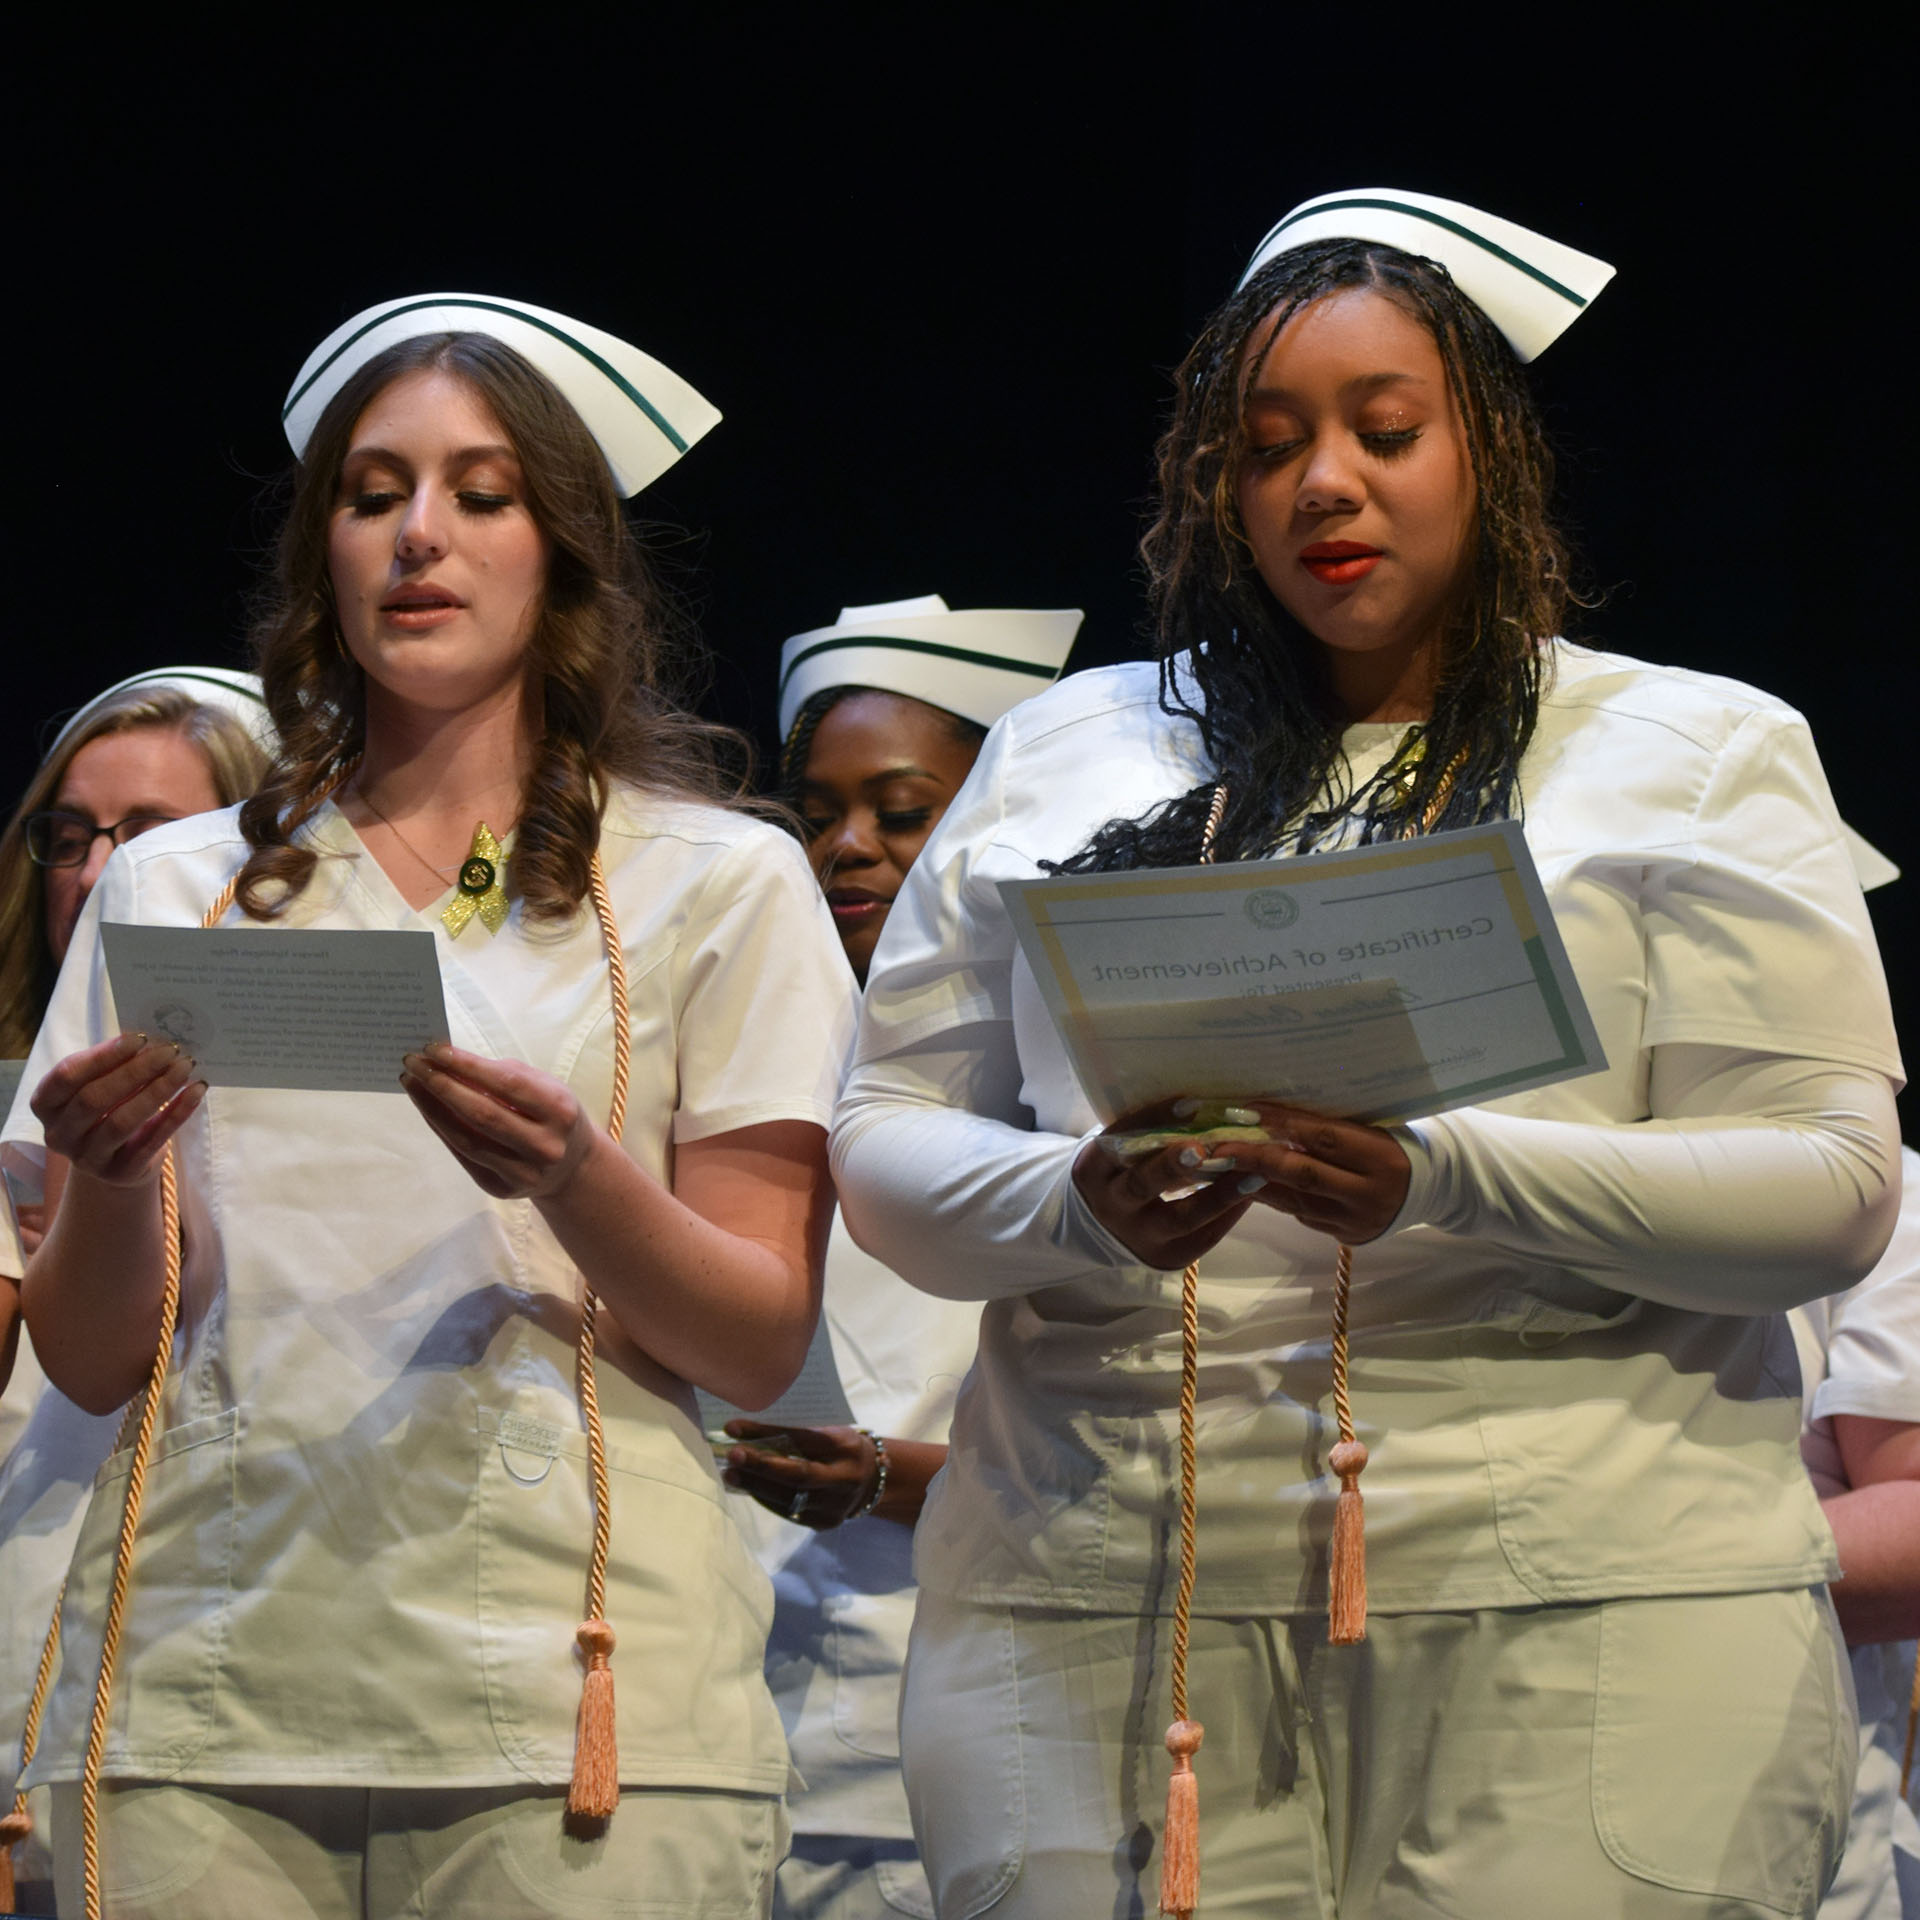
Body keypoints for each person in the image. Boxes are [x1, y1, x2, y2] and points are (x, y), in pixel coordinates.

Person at [830, 189, 1904, 1918]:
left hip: (1588, 1596)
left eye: (1385, 430)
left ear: (1488, 446)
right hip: (1113, 1590)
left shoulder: (1691, 748)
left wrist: (1441, 1173)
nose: (1324, 482)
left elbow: (1831, 1192)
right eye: (1266, 448)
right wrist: (1076, 1202)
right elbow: (888, 1143)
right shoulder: (1061, 754)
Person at [0, 293, 857, 1917]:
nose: (419, 536)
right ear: (323, 545)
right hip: (205, 1703)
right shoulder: (183, 882)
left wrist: (576, 1177)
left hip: (581, 1705)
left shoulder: (717, 881)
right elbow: (96, 1355)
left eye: (480, 494)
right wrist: (108, 1176)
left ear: (566, 551)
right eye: (374, 491)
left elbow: (757, 1338)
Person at [720, 594, 1078, 1920]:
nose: (847, 849)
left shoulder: (1078, 1095)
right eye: (818, 815)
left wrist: (888, 1478)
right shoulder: (751, 1062)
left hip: (968, 1722)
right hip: (731, 1736)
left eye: (901, 809)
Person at [0, 668, 269, 1911]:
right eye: (74, 834)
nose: (102, 867)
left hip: (208, 1627)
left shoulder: (297, 1123)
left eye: (149, 835)